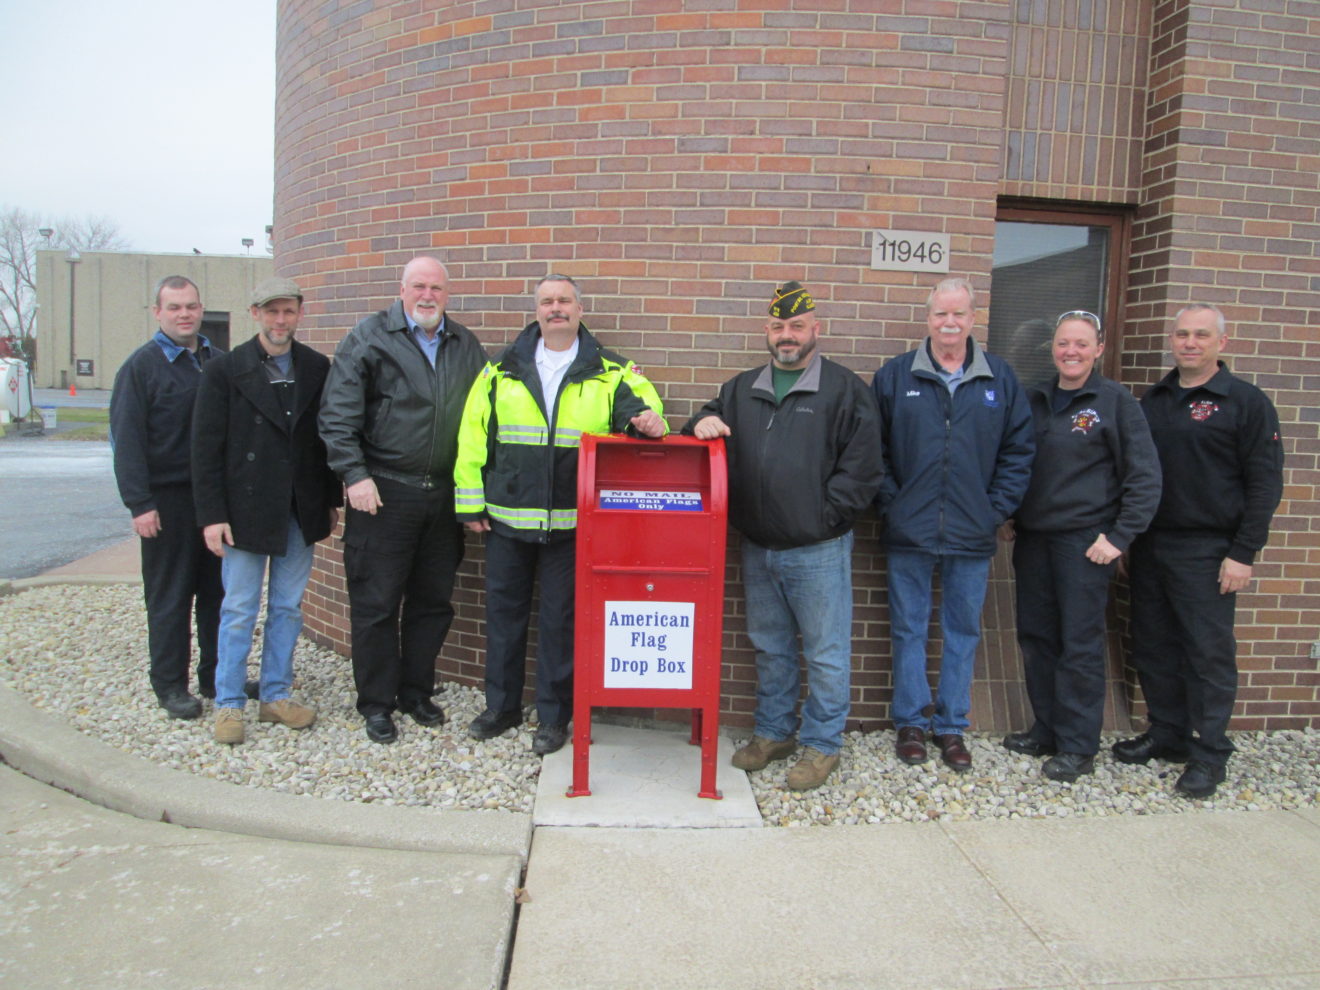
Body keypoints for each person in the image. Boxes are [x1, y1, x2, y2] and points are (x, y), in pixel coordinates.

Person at [455, 274, 667, 756]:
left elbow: (646, 410)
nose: (556, 308)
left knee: (560, 623)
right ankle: (501, 708)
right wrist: (469, 503)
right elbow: (472, 435)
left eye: (564, 301)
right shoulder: (499, 370)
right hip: (506, 521)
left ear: (579, 309)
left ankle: (553, 718)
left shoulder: (611, 371)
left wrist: (649, 422)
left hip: (574, 526)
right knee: (503, 619)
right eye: (547, 301)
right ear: (537, 311)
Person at [685, 281, 882, 791]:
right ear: (767, 331)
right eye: (778, 326)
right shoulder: (741, 388)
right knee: (771, 648)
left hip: (818, 549)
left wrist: (824, 519)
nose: (787, 335)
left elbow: (863, 469)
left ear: (816, 329)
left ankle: (822, 744)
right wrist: (703, 421)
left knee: (826, 653)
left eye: (796, 326)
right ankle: (774, 733)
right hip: (758, 548)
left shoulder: (844, 390)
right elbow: (703, 419)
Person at [1112, 304, 1283, 799]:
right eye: (1183, 334)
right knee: (1153, 644)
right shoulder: (1156, 399)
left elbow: (1265, 484)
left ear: (1221, 343)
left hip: (1209, 548)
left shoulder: (1245, 402)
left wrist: (1244, 552)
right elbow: (1134, 474)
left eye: (1201, 335)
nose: (1190, 343)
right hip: (1152, 543)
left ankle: (1209, 752)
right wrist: (1127, 536)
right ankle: (1167, 732)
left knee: (1207, 653)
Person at [319, 256, 487, 744]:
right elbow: (337, 415)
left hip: (442, 497)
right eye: (418, 286)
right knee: (376, 604)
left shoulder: (465, 345)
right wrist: (354, 475)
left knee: (432, 603)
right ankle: (376, 703)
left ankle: (415, 692)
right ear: (402, 290)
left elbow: (485, 415)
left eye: (436, 287)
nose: (427, 296)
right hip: (382, 494)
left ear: (447, 294)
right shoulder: (369, 338)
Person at [872, 277, 1034, 771]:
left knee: (963, 630)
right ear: (928, 318)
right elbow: (872, 450)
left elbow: (1019, 453)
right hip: (910, 530)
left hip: (972, 531)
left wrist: (993, 511)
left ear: (972, 319)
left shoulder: (999, 379)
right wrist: (894, 504)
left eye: (958, 314)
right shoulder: (895, 376)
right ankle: (910, 723)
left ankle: (951, 726)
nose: (949, 323)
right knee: (909, 629)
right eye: (941, 313)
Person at [999, 311, 1161, 781]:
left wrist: (1120, 537)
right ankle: (1046, 729)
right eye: (1063, 343)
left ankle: (1077, 745)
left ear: (1098, 349)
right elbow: (1019, 462)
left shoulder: (1114, 402)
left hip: (1085, 544)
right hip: (1034, 539)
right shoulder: (1036, 399)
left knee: (1079, 644)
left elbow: (1144, 476)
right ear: (1053, 348)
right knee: (1037, 637)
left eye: (1081, 344)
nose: (1071, 352)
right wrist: (1010, 513)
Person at [192, 277, 343, 744]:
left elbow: (325, 439)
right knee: (239, 608)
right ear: (255, 313)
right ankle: (229, 703)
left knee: (287, 607)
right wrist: (212, 514)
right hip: (244, 510)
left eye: (288, 311)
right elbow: (205, 448)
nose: (281, 320)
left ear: (300, 313)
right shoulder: (224, 369)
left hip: (299, 507)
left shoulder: (316, 367)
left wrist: (330, 499)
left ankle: (275, 695)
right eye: (272, 311)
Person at [110, 275, 224, 720]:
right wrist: (139, 503)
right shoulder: (141, 368)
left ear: (201, 309)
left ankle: (216, 677)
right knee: (171, 598)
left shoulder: (218, 362)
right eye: (174, 307)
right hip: (166, 502)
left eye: (191, 306)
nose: (184, 314)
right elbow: (126, 440)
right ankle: (170, 685)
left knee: (218, 596)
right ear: (158, 312)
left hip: (214, 502)